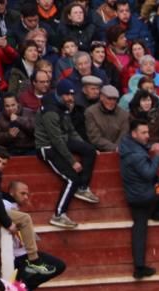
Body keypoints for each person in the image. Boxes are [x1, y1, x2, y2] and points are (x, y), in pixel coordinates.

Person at [118, 118, 159, 280]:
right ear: (134, 134)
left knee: (139, 228)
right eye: (143, 133)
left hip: (133, 196)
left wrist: (148, 146)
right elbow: (149, 174)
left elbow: (140, 147)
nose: (147, 135)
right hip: (146, 194)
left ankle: (139, 267)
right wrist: (158, 156)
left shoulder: (126, 144)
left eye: (147, 132)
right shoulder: (136, 155)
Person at [34, 79, 99, 229]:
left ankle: (83, 187)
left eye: (72, 95)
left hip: (61, 140)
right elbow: (55, 139)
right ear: (60, 94)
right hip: (47, 147)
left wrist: (85, 145)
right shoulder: (50, 111)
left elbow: (70, 131)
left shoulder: (63, 107)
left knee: (89, 151)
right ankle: (58, 214)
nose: (71, 98)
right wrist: (72, 161)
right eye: (67, 95)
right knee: (71, 179)